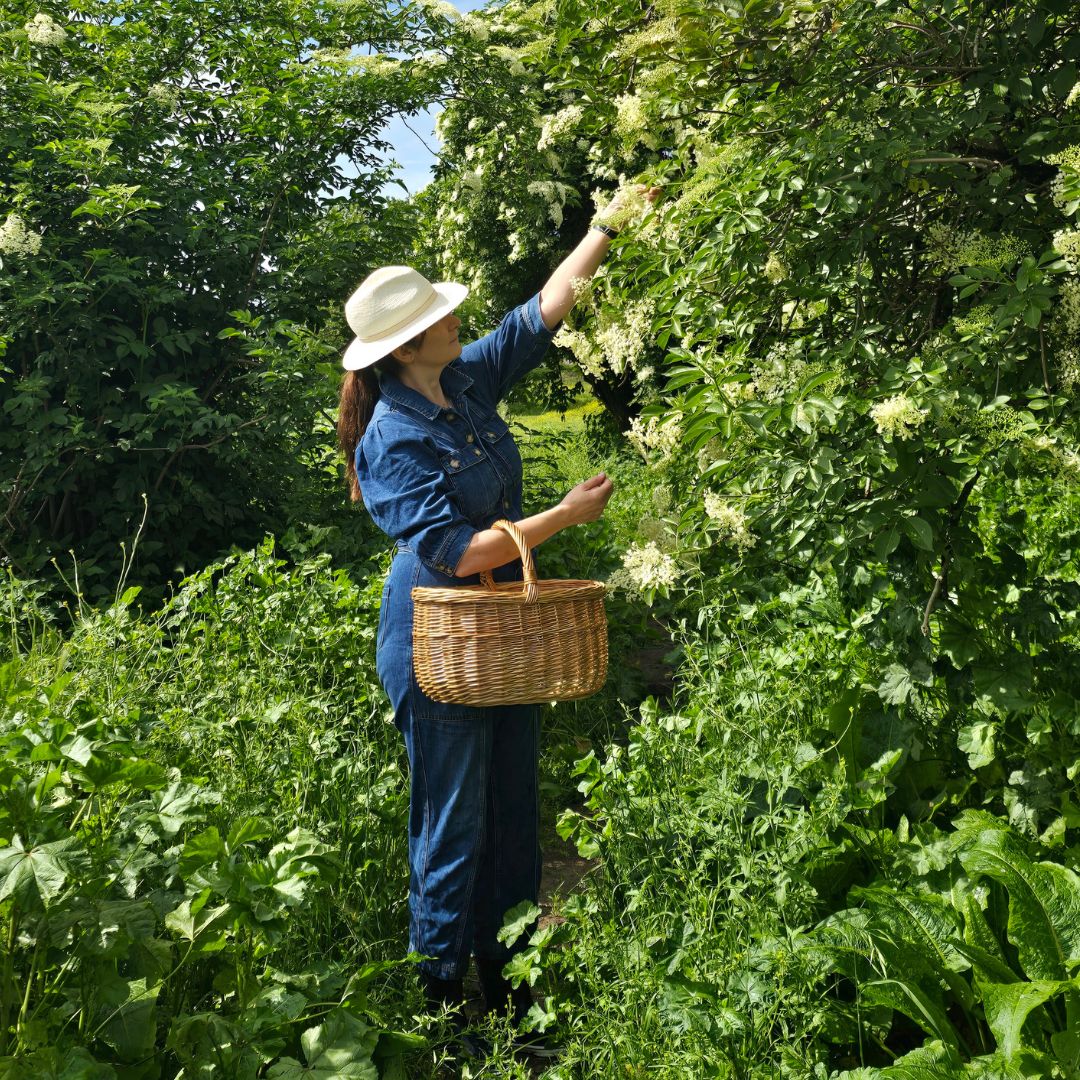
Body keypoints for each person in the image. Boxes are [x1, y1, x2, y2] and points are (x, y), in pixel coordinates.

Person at [336, 185, 661, 1054]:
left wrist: (606, 226)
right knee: (452, 821)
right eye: (440, 316)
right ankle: (441, 1011)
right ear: (405, 347)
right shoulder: (392, 437)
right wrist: (559, 520)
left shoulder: (461, 381)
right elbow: (455, 550)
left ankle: (512, 984)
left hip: (501, 637)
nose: (457, 319)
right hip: (438, 640)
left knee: (514, 809)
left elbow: (538, 314)